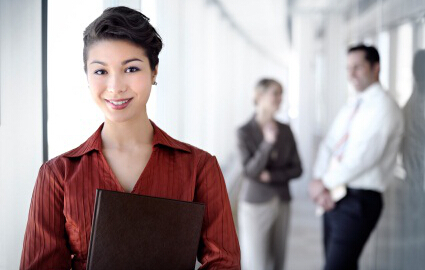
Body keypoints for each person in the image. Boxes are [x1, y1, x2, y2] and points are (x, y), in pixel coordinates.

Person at [20, 6, 240, 270]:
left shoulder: (200, 167)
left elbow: (224, 263)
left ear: (154, 71)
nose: (115, 86)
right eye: (101, 71)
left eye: (131, 69)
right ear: (87, 76)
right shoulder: (57, 175)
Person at [309, 44, 404, 270]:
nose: (351, 74)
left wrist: (323, 183)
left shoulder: (384, 107)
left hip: (359, 200)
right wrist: (319, 180)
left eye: (358, 67)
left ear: (375, 67)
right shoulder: (354, 104)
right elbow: (330, 143)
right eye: (348, 68)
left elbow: (364, 158)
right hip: (335, 195)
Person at [237, 78, 302, 270]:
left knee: (277, 262)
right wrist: (267, 143)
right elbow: (249, 171)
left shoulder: (286, 130)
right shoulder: (244, 132)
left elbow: (298, 168)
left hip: (282, 202)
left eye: (281, 93)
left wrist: (272, 177)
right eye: (275, 93)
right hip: (254, 206)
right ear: (259, 96)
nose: (280, 98)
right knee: (257, 263)